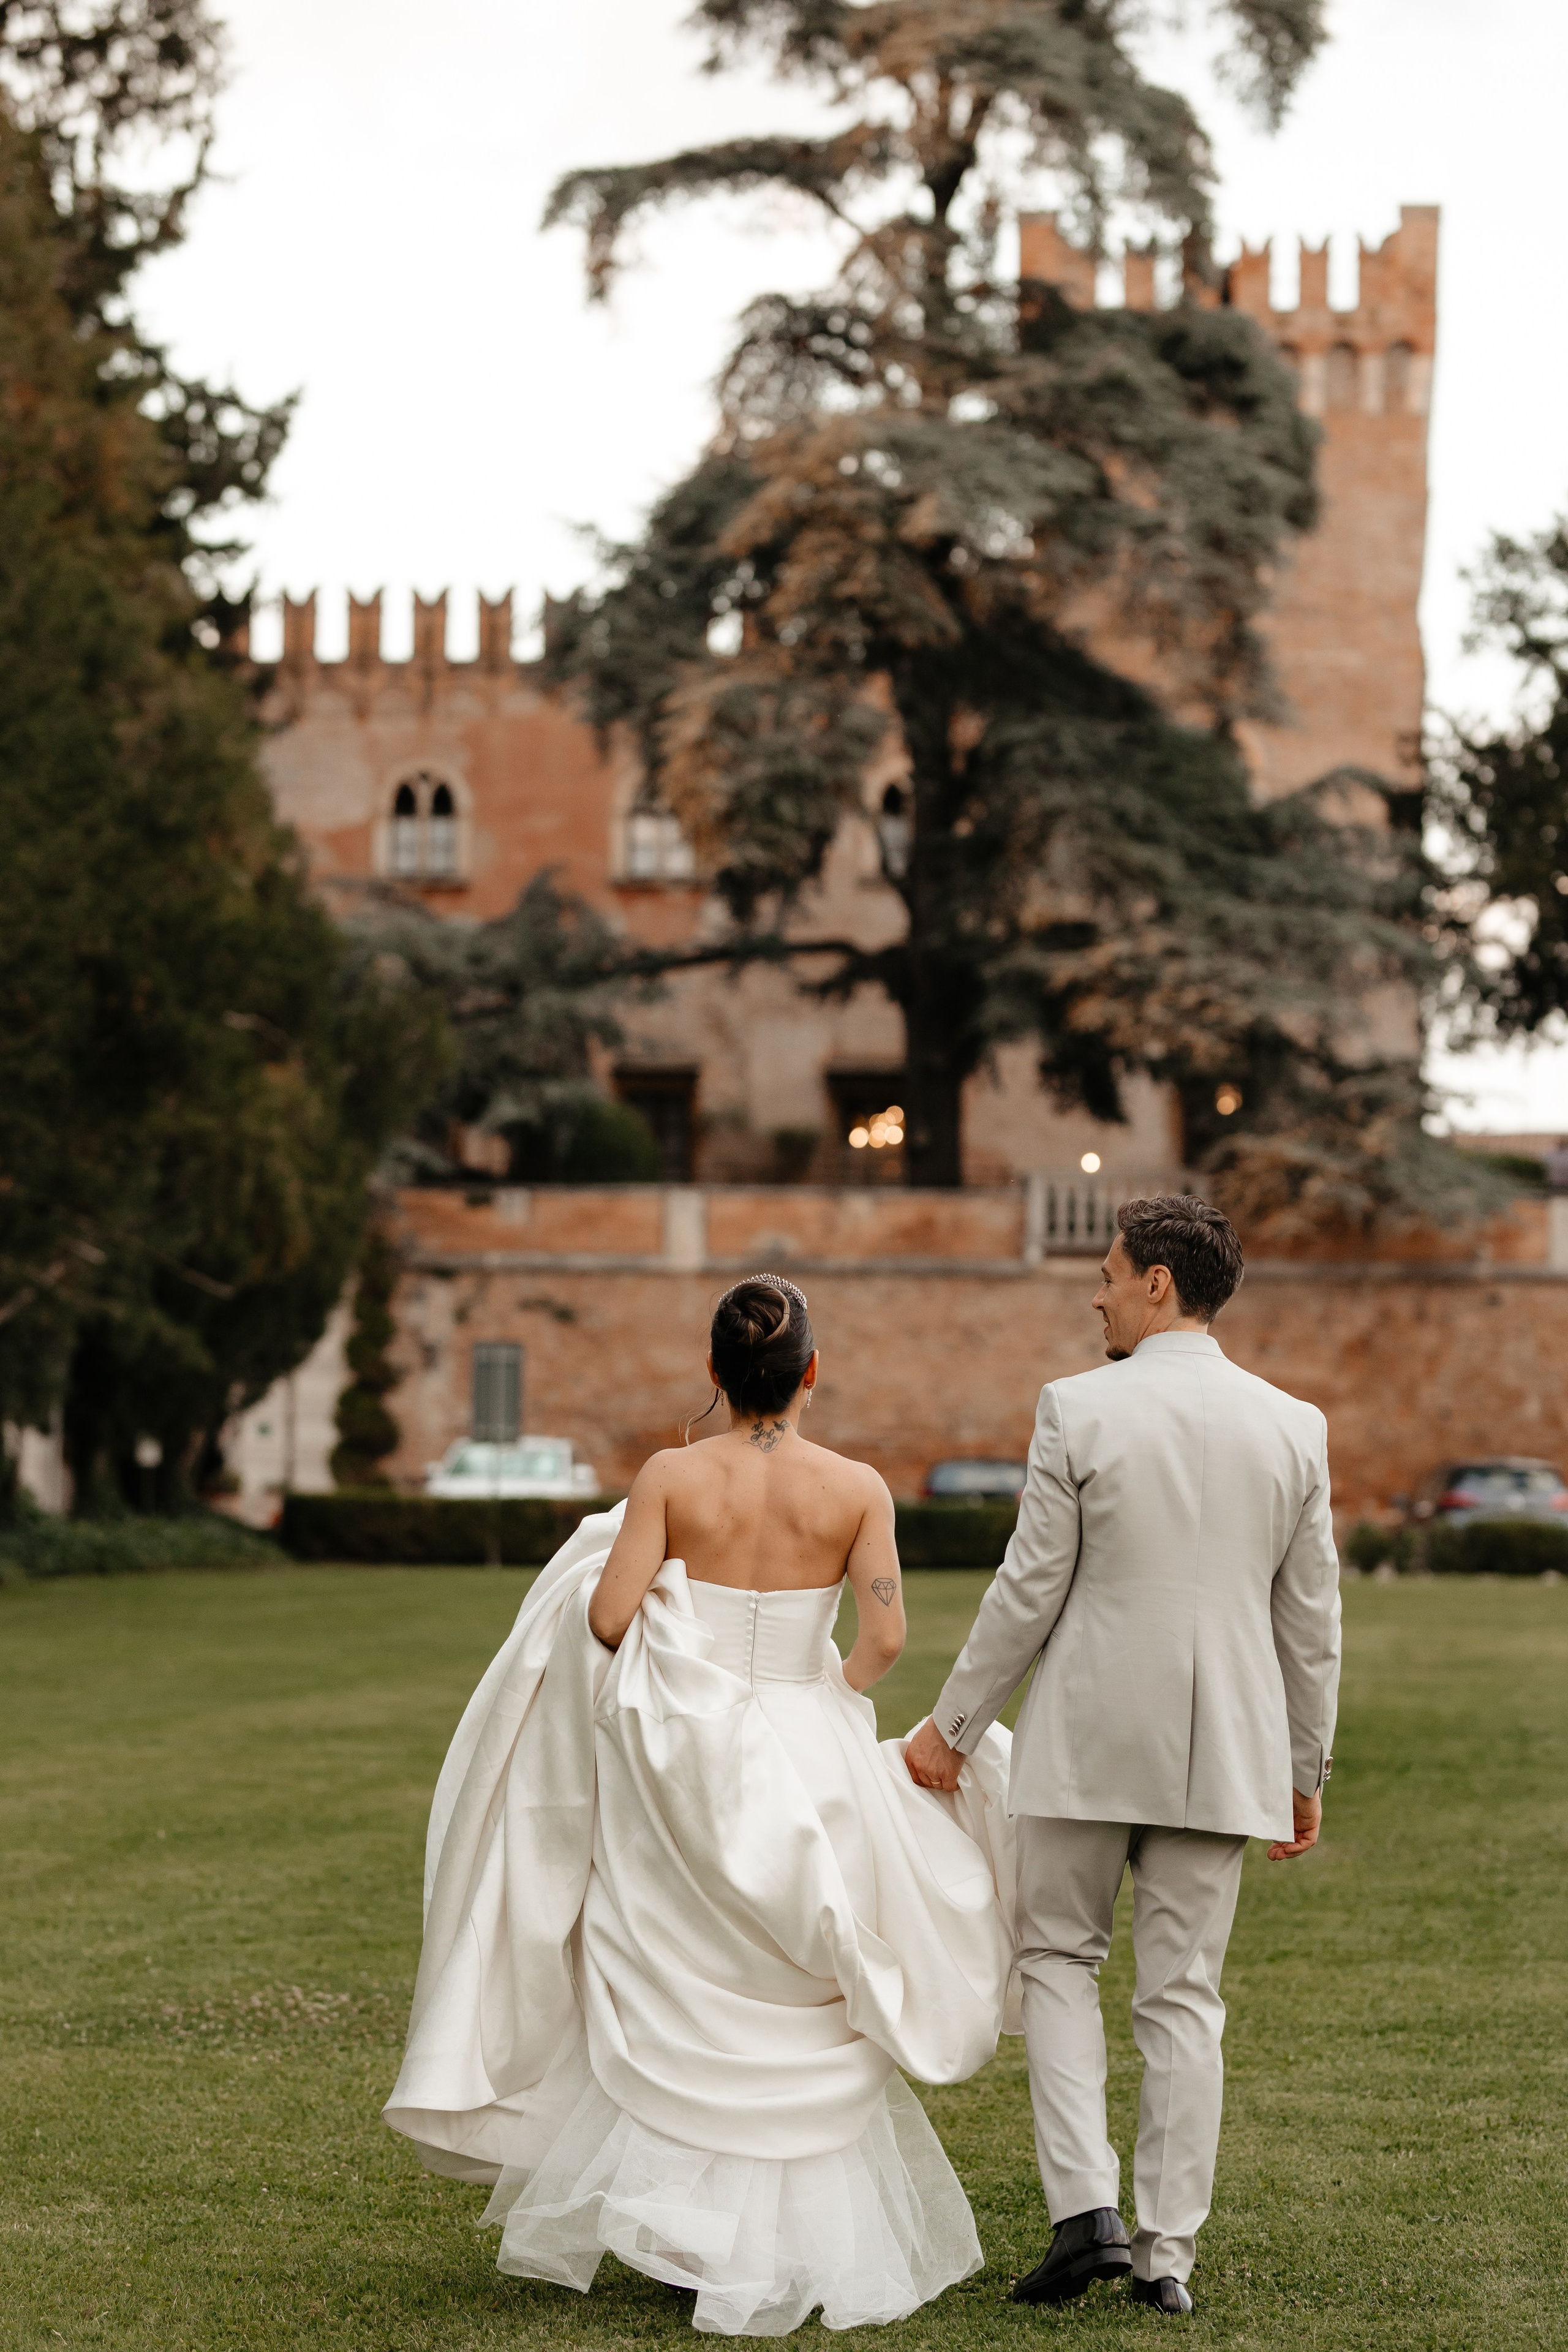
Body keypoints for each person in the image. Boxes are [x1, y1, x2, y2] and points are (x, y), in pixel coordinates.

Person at [384, 1275, 1019, 2337]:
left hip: (689, 1753)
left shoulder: (672, 1477)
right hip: (806, 1738)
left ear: (715, 1373)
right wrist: (828, 1695)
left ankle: (685, 2230)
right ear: (812, 1371)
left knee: (682, 1972)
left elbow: (608, 1614)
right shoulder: (858, 1488)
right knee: (792, 1980)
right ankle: (775, 2239)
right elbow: (887, 1641)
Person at [906, 1195, 1341, 2318]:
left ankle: (1085, 2212)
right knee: (1184, 1999)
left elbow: (1029, 1590)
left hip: (1093, 1733)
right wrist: (1306, 1769)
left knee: (1057, 1961)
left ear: (1158, 1284)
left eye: (1106, 1273)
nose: (1093, 1292)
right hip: (1227, 1750)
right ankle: (1166, 2257)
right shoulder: (1295, 1425)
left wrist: (950, 1727)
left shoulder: (1077, 1408)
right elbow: (1312, 1622)